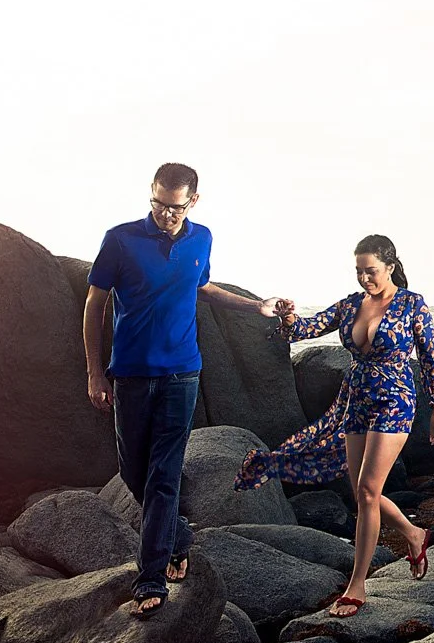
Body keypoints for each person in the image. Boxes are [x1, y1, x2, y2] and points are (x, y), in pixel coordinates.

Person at [84, 163, 288, 618]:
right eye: (158, 204)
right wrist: (95, 372)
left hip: (182, 375)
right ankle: (178, 537)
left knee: (163, 475)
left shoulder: (202, 239)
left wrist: (257, 305)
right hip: (131, 375)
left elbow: (204, 288)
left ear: (193, 201)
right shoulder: (120, 239)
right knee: (133, 473)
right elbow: (95, 303)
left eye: (174, 208)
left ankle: (150, 577)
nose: (165, 214)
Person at [235, 234, 434, 618]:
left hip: (395, 402)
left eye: (371, 271)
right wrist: (287, 316)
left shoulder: (412, 305)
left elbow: (431, 359)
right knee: (363, 491)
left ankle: (357, 585)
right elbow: (306, 328)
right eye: (359, 271)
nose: (364, 278)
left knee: (367, 490)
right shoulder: (351, 305)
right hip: (355, 401)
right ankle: (414, 534)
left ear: (390, 267)